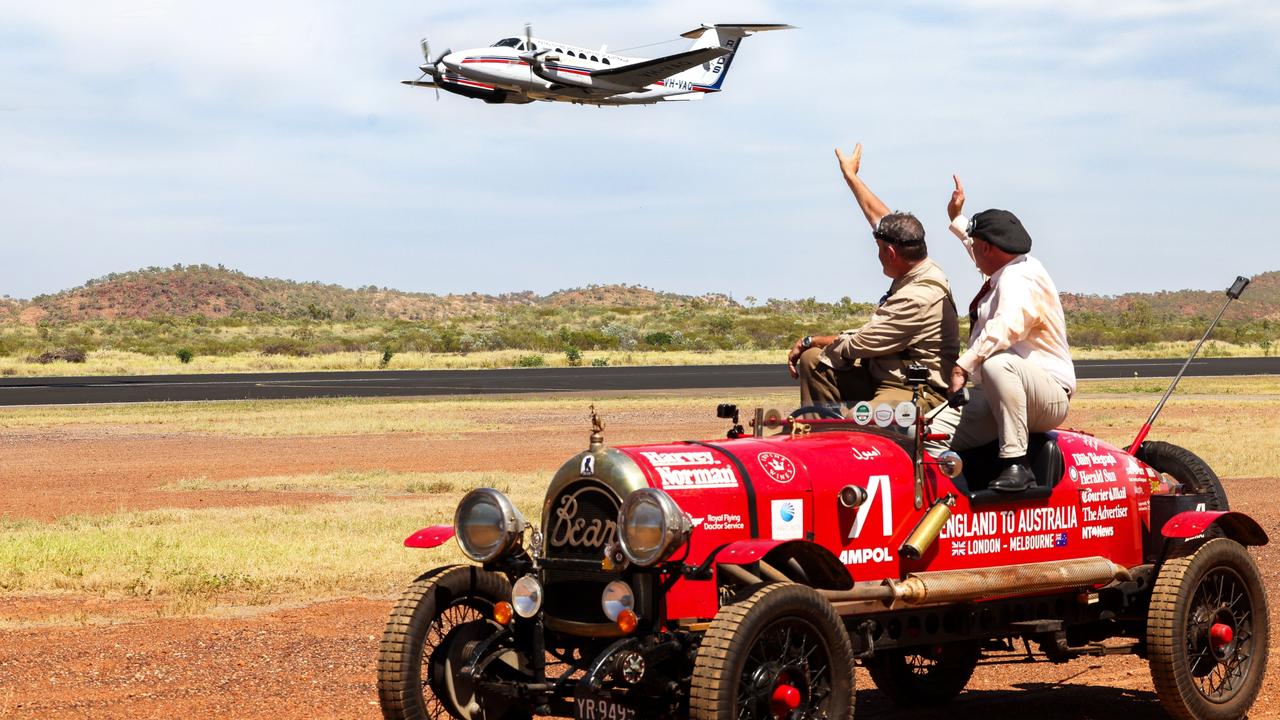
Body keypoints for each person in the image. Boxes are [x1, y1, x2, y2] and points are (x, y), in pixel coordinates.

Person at [927, 176, 1075, 492]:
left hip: (1045, 395)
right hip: (997, 394)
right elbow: (977, 247)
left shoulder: (1022, 278)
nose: (974, 251)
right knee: (928, 437)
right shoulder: (1005, 264)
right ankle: (954, 509)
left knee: (997, 362)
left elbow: (1006, 325)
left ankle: (1016, 465)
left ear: (989, 247)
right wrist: (956, 219)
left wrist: (963, 364)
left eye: (977, 244)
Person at [788, 143, 960, 413]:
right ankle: (820, 436)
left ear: (891, 252)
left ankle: (850, 446)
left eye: (879, 250)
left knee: (866, 420)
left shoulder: (918, 296)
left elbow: (859, 343)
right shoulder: (916, 261)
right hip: (883, 376)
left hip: (915, 389)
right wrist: (851, 177)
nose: (877, 256)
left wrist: (810, 340)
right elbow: (882, 219)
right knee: (814, 361)